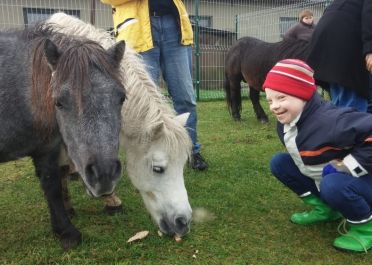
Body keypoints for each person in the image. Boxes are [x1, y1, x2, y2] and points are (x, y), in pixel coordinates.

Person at [265, 59, 372, 252]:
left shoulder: (332, 121)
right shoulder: (285, 122)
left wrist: (349, 165)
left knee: (332, 183)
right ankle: (327, 209)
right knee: (279, 163)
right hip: (326, 176)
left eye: (281, 98)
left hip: (362, 181)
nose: (274, 106)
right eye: (270, 100)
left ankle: (366, 229)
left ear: (303, 94)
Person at [101, 0, 208, 170]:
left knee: (185, 98)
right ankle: (149, 155)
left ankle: (190, 150)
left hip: (174, 27)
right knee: (144, 104)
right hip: (137, 31)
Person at [306, 0, 372, 112]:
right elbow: (370, 13)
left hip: (330, 38)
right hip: (345, 39)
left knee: (345, 97)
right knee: (352, 103)